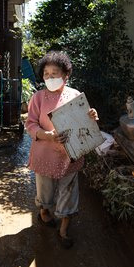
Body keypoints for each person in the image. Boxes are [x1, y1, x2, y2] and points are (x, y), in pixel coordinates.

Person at [25, 51, 99, 249]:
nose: (50, 77)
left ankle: (64, 229)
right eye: (46, 74)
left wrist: (92, 115)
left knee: (69, 192)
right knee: (45, 193)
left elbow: (85, 122)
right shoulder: (38, 97)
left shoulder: (76, 96)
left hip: (71, 155)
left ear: (66, 75)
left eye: (55, 73)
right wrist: (47, 135)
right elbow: (30, 124)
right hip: (45, 154)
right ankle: (44, 212)